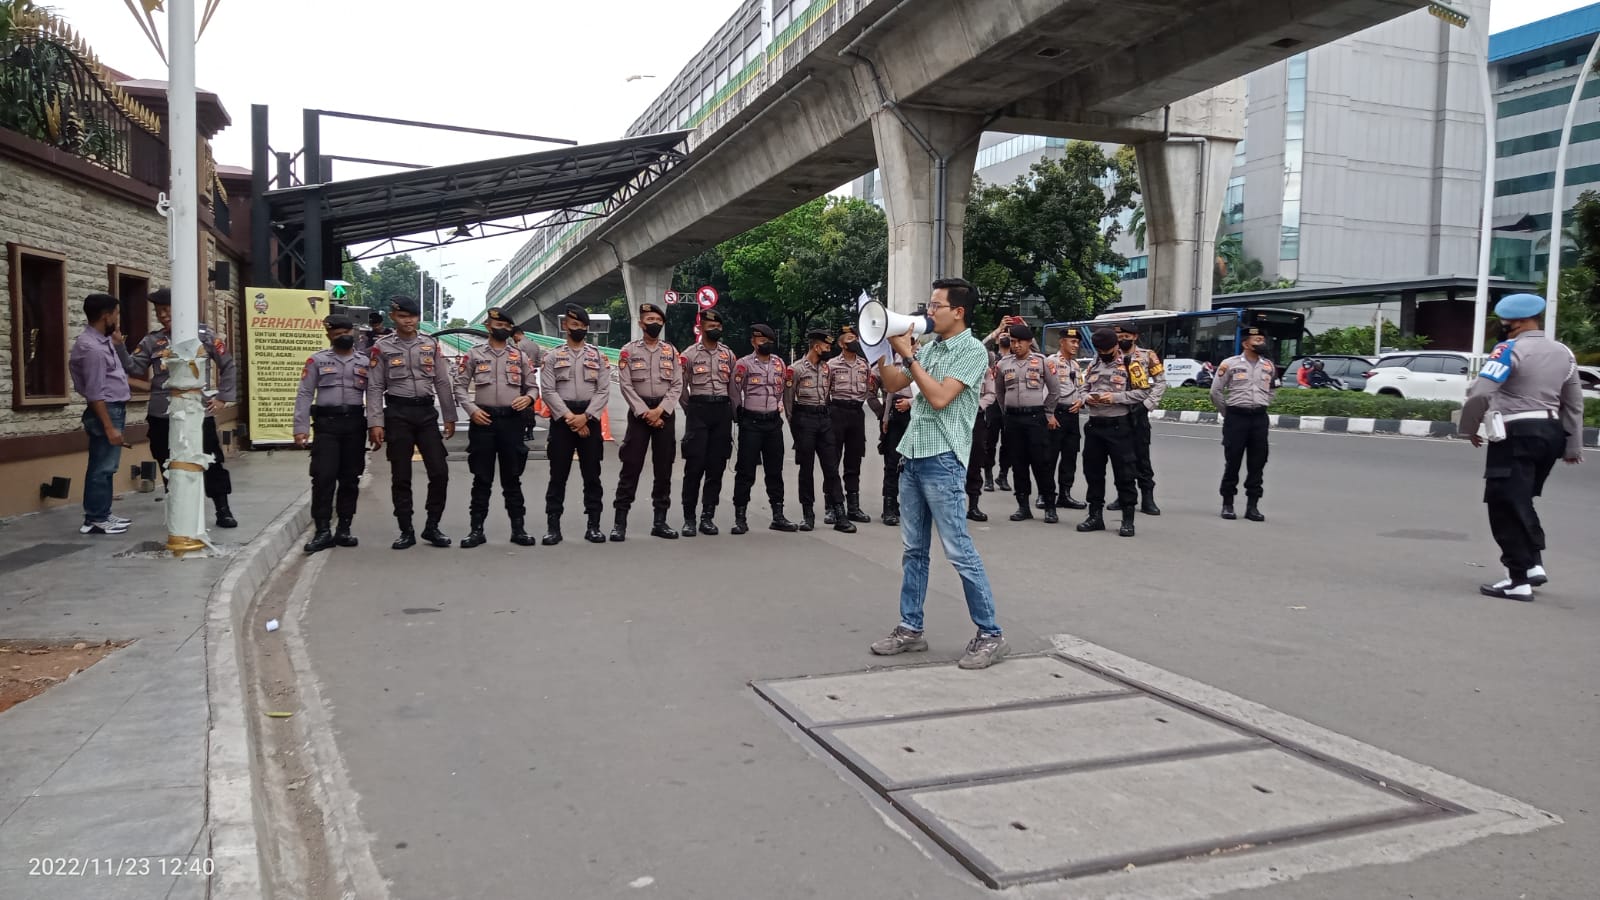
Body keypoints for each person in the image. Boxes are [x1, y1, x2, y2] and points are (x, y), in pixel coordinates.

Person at [869, 278, 1006, 670]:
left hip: (943, 459)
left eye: (935, 305)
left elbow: (940, 397)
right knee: (914, 550)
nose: (928, 312)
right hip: (913, 456)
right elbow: (895, 383)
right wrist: (884, 349)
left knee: (959, 551)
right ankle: (910, 628)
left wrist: (909, 357)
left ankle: (991, 633)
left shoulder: (971, 351)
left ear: (958, 311)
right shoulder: (933, 347)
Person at [1458, 293, 1585, 601]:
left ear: (1511, 323)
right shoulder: (1563, 352)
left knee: (1503, 503)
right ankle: (1533, 566)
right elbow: (1574, 403)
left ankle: (1517, 580)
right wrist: (1572, 445)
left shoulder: (1508, 349)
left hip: (1516, 432)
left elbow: (1480, 394)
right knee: (1522, 499)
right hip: (1551, 434)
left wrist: (1468, 427)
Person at [124, 288, 239, 528]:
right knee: (165, 459)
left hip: (196, 411)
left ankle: (222, 509)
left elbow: (227, 365)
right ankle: (176, 508)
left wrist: (222, 397)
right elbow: (134, 367)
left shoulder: (204, 336)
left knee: (211, 459)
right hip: (161, 412)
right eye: (158, 311)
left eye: (167, 310)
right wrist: (116, 346)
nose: (163, 315)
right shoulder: (152, 340)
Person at [366, 296, 457, 549]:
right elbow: (374, 386)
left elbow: (441, 382)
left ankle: (432, 526)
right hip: (397, 413)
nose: (408, 321)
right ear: (393, 317)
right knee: (401, 474)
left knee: (439, 471)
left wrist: (450, 416)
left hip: (426, 414)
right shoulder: (382, 347)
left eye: (413, 316)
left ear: (418, 318)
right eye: (403, 316)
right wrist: (375, 422)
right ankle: (406, 529)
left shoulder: (430, 344)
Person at [454, 307, 539, 549]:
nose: (501, 329)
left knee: (512, 477)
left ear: (510, 328)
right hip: (484, 421)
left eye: (506, 326)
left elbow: (533, 387)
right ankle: (476, 530)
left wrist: (529, 399)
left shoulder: (520, 357)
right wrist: (472, 410)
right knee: (482, 477)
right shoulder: (473, 355)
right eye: (497, 325)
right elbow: (459, 386)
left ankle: (518, 529)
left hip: (512, 421)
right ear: (488, 327)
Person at [293, 315, 370, 553]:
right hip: (327, 425)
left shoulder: (365, 361)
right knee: (323, 477)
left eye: (347, 333)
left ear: (354, 333)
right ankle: (323, 530)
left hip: (355, 424)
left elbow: (375, 393)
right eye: (337, 334)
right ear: (329, 336)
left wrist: (378, 424)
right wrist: (301, 427)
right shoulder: (316, 360)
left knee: (350, 478)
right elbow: (305, 393)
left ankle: (344, 528)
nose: (343, 337)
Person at [611, 303, 683, 541]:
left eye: (658, 319)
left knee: (664, 467)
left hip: (664, 413)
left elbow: (677, 385)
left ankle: (660, 521)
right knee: (631, 465)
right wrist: (645, 412)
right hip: (640, 415)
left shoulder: (671, 351)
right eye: (649, 319)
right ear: (641, 324)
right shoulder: (628, 351)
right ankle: (619, 522)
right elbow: (626, 384)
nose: (654, 323)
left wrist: (661, 411)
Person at [541, 304, 612, 545]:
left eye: (582, 326)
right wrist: (571, 418)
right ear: (565, 326)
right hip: (563, 419)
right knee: (558, 475)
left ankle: (593, 525)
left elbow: (603, 391)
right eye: (574, 325)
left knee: (592, 475)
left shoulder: (598, 356)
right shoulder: (552, 356)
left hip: (589, 418)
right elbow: (548, 391)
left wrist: (586, 417)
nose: (578, 329)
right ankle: (553, 527)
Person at [69, 293, 131, 535]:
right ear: (106, 316)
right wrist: (109, 427)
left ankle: (103, 513)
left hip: (114, 408)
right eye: (116, 314)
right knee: (101, 467)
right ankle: (95, 518)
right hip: (107, 411)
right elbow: (95, 392)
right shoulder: (92, 348)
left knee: (108, 466)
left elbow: (116, 375)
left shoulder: (103, 341)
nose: (117, 319)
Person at [730, 324, 799, 535]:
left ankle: (778, 515)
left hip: (772, 424)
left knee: (775, 471)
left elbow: (781, 392)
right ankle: (740, 517)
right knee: (745, 471)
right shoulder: (743, 364)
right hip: (751, 423)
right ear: (753, 342)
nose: (765, 344)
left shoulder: (779, 363)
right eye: (761, 341)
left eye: (768, 341)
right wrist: (739, 416)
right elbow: (734, 392)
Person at [1077, 329, 1146, 537]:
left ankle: (1127, 519)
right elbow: (1081, 388)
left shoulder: (1131, 364)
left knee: (1125, 474)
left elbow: (1142, 392)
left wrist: (1115, 397)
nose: (1104, 353)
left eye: (1107, 349)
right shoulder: (1093, 364)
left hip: (1119, 426)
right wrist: (1086, 398)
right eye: (1100, 349)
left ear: (1116, 345)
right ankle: (1095, 516)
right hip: (1095, 426)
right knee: (1093, 473)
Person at [993, 324, 1061, 523]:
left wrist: (1047, 412)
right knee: (1018, 463)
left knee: (1042, 463)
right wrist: (1006, 411)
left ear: (1029, 342)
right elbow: (999, 392)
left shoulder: (1042, 362)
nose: (1016, 345)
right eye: (1013, 342)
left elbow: (1055, 390)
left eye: (1019, 342)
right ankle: (1023, 506)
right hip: (1013, 419)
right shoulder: (1004, 364)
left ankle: (1049, 505)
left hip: (1035, 418)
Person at [1210, 326, 1279, 523]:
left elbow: (1273, 389)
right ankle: (1228, 504)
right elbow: (1215, 392)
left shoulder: (1269, 366)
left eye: (1262, 339)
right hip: (1236, 418)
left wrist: (1262, 403)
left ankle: (1253, 506)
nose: (1261, 343)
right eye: (1256, 340)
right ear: (1245, 343)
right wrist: (1228, 413)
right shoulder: (1229, 364)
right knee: (1233, 461)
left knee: (1258, 462)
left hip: (1259, 418)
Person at [678, 308, 738, 536]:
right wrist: (691, 409)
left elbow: (733, 387)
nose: (715, 329)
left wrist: (734, 411)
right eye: (711, 326)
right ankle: (689, 518)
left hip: (721, 411)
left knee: (716, 466)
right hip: (699, 410)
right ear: (701, 327)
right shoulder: (689, 354)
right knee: (694, 466)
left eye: (718, 326)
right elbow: (681, 387)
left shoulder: (728, 355)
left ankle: (707, 516)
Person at [785, 328, 851, 532]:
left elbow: (829, 393)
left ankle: (840, 513)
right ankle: (808, 514)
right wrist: (794, 426)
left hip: (824, 419)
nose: (828, 349)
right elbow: (788, 402)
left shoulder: (826, 369)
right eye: (826, 345)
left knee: (831, 468)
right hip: (804, 418)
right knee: (806, 469)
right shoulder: (795, 369)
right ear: (816, 346)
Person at [1108, 321, 1166, 516]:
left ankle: (1147, 498)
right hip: (1117, 411)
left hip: (1138, 411)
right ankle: (1122, 496)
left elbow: (1160, 383)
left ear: (1134, 336)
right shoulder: (1110, 355)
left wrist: (1147, 405)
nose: (1121, 340)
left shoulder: (1147, 355)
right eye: (1118, 337)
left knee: (1142, 457)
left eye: (1125, 336)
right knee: (1120, 458)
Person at [825, 325, 876, 524]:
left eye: (855, 337)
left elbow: (869, 390)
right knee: (832, 460)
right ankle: (831, 506)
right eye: (849, 338)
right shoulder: (831, 364)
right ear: (840, 343)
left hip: (856, 413)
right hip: (836, 412)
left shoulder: (864, 364)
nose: (853, 341)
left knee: (854, 460)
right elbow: (825, 390)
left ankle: (853, 507)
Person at [1039, 325, 1087, 511]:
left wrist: (1081, 401)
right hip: (1056, 413)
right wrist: (1048, 414)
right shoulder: (1051, 362)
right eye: (1072, 341)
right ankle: (1045, 494)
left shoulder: (1075, 365)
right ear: (1062, 342)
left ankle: (1065, 494)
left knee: (1070, 456)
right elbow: (1045, 389)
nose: (1076, 345)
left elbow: (1082, 388)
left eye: (1077, 342)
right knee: (1049, 457)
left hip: (1072, 415)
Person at [873, 379, 914, 526]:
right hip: (896, 412)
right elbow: (891, 389)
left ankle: (914, 507)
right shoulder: (899, 362)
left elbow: (930, 392)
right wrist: (885, 418)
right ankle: (889, 506)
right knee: (892, 462)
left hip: (916, 412)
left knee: (916, 464)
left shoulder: (927, 360)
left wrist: (911, 402)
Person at [963, 364, 997, 523]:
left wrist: (979, 405)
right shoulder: (951, 363)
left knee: (975, 462)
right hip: (954, 417)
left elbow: (991, 394)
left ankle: (973, 506)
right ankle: (948, 506)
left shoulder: (984, 369)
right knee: (949, 463)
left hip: (976, 418)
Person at [985, 333, 1012, 493]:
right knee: (990, 443)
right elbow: (981, 346)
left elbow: (1035, 349)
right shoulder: (991, 356)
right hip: (993, 403)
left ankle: (1003, 475)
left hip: (1009, 402)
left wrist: (1021, 328)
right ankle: (988, 476)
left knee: (1008, 443)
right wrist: (997, 331)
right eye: (1002, 334)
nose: (1005, 336)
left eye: (1008, 334)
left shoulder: (1017, 357)